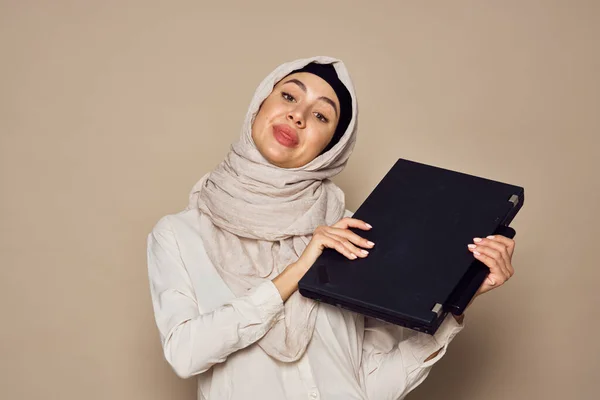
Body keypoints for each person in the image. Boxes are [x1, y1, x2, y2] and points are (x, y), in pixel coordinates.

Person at [146, 56, 516, 400]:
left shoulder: (356, 233)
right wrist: (298, 272)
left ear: (332, 147)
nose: (298, 116)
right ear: (259, 105)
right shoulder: (181, 234)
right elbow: (186, 354)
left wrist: (456, 304)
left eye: (322, 117)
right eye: (288, 96)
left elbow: (370, 385)